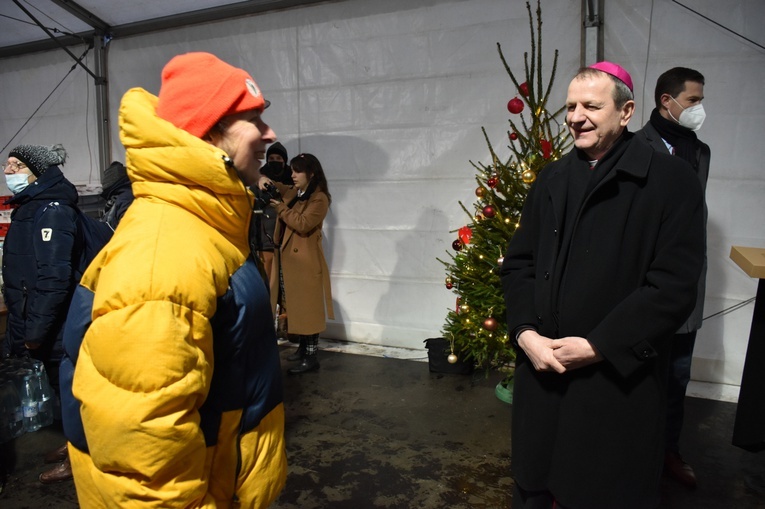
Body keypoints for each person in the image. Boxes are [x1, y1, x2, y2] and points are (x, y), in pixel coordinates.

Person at [58, 52, 287, 507]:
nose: (270, 133)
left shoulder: (204, 228)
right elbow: (142, 454)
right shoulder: (165, 252)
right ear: (208, 133)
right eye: (253, 119)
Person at [501, 62, 705, 509]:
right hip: (542, 374)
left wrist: (597, 346)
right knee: (534, 487)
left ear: (626, 110)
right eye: (570, 106)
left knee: (598, 491)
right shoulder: (551, 178)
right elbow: (519, 266)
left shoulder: (671, 181)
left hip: (614, 386)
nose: (576, 116)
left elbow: (672, 286)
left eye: (591, 105)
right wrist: (525, 334)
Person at [635, 67, 709, 490]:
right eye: (694, 101)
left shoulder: (701, 152)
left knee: (677, 376)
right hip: (643, 286)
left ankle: (669, 452)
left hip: (686, 285)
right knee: (639, 376)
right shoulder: (634, 147)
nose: (699, 109)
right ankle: (634, 454)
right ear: (668, 100)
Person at [2, 143, 80, 484]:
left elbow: (54, 278)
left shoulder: (53, 211)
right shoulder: (30, 208)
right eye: (7, 165)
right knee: (61, 395)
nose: (8, 172)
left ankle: (80, 461)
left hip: (56, 327)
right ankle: (71, 447)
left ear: (37, 173)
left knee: (71, 396)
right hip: (39, 322)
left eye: (16, 166)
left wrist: (33, 333)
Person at [260, 153, 334, 374]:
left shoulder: (319, 198)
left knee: (307, 309)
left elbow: (303, 224)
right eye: (291, 170)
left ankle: (311, 356)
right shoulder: (297, 192)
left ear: (311, 173)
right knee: (296, 306)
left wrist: (280, 208)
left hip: (305, 263)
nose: (292, 175)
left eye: (297, 171)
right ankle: (303, 349)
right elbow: (281, 187)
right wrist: (264, 180)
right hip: (289, 260)